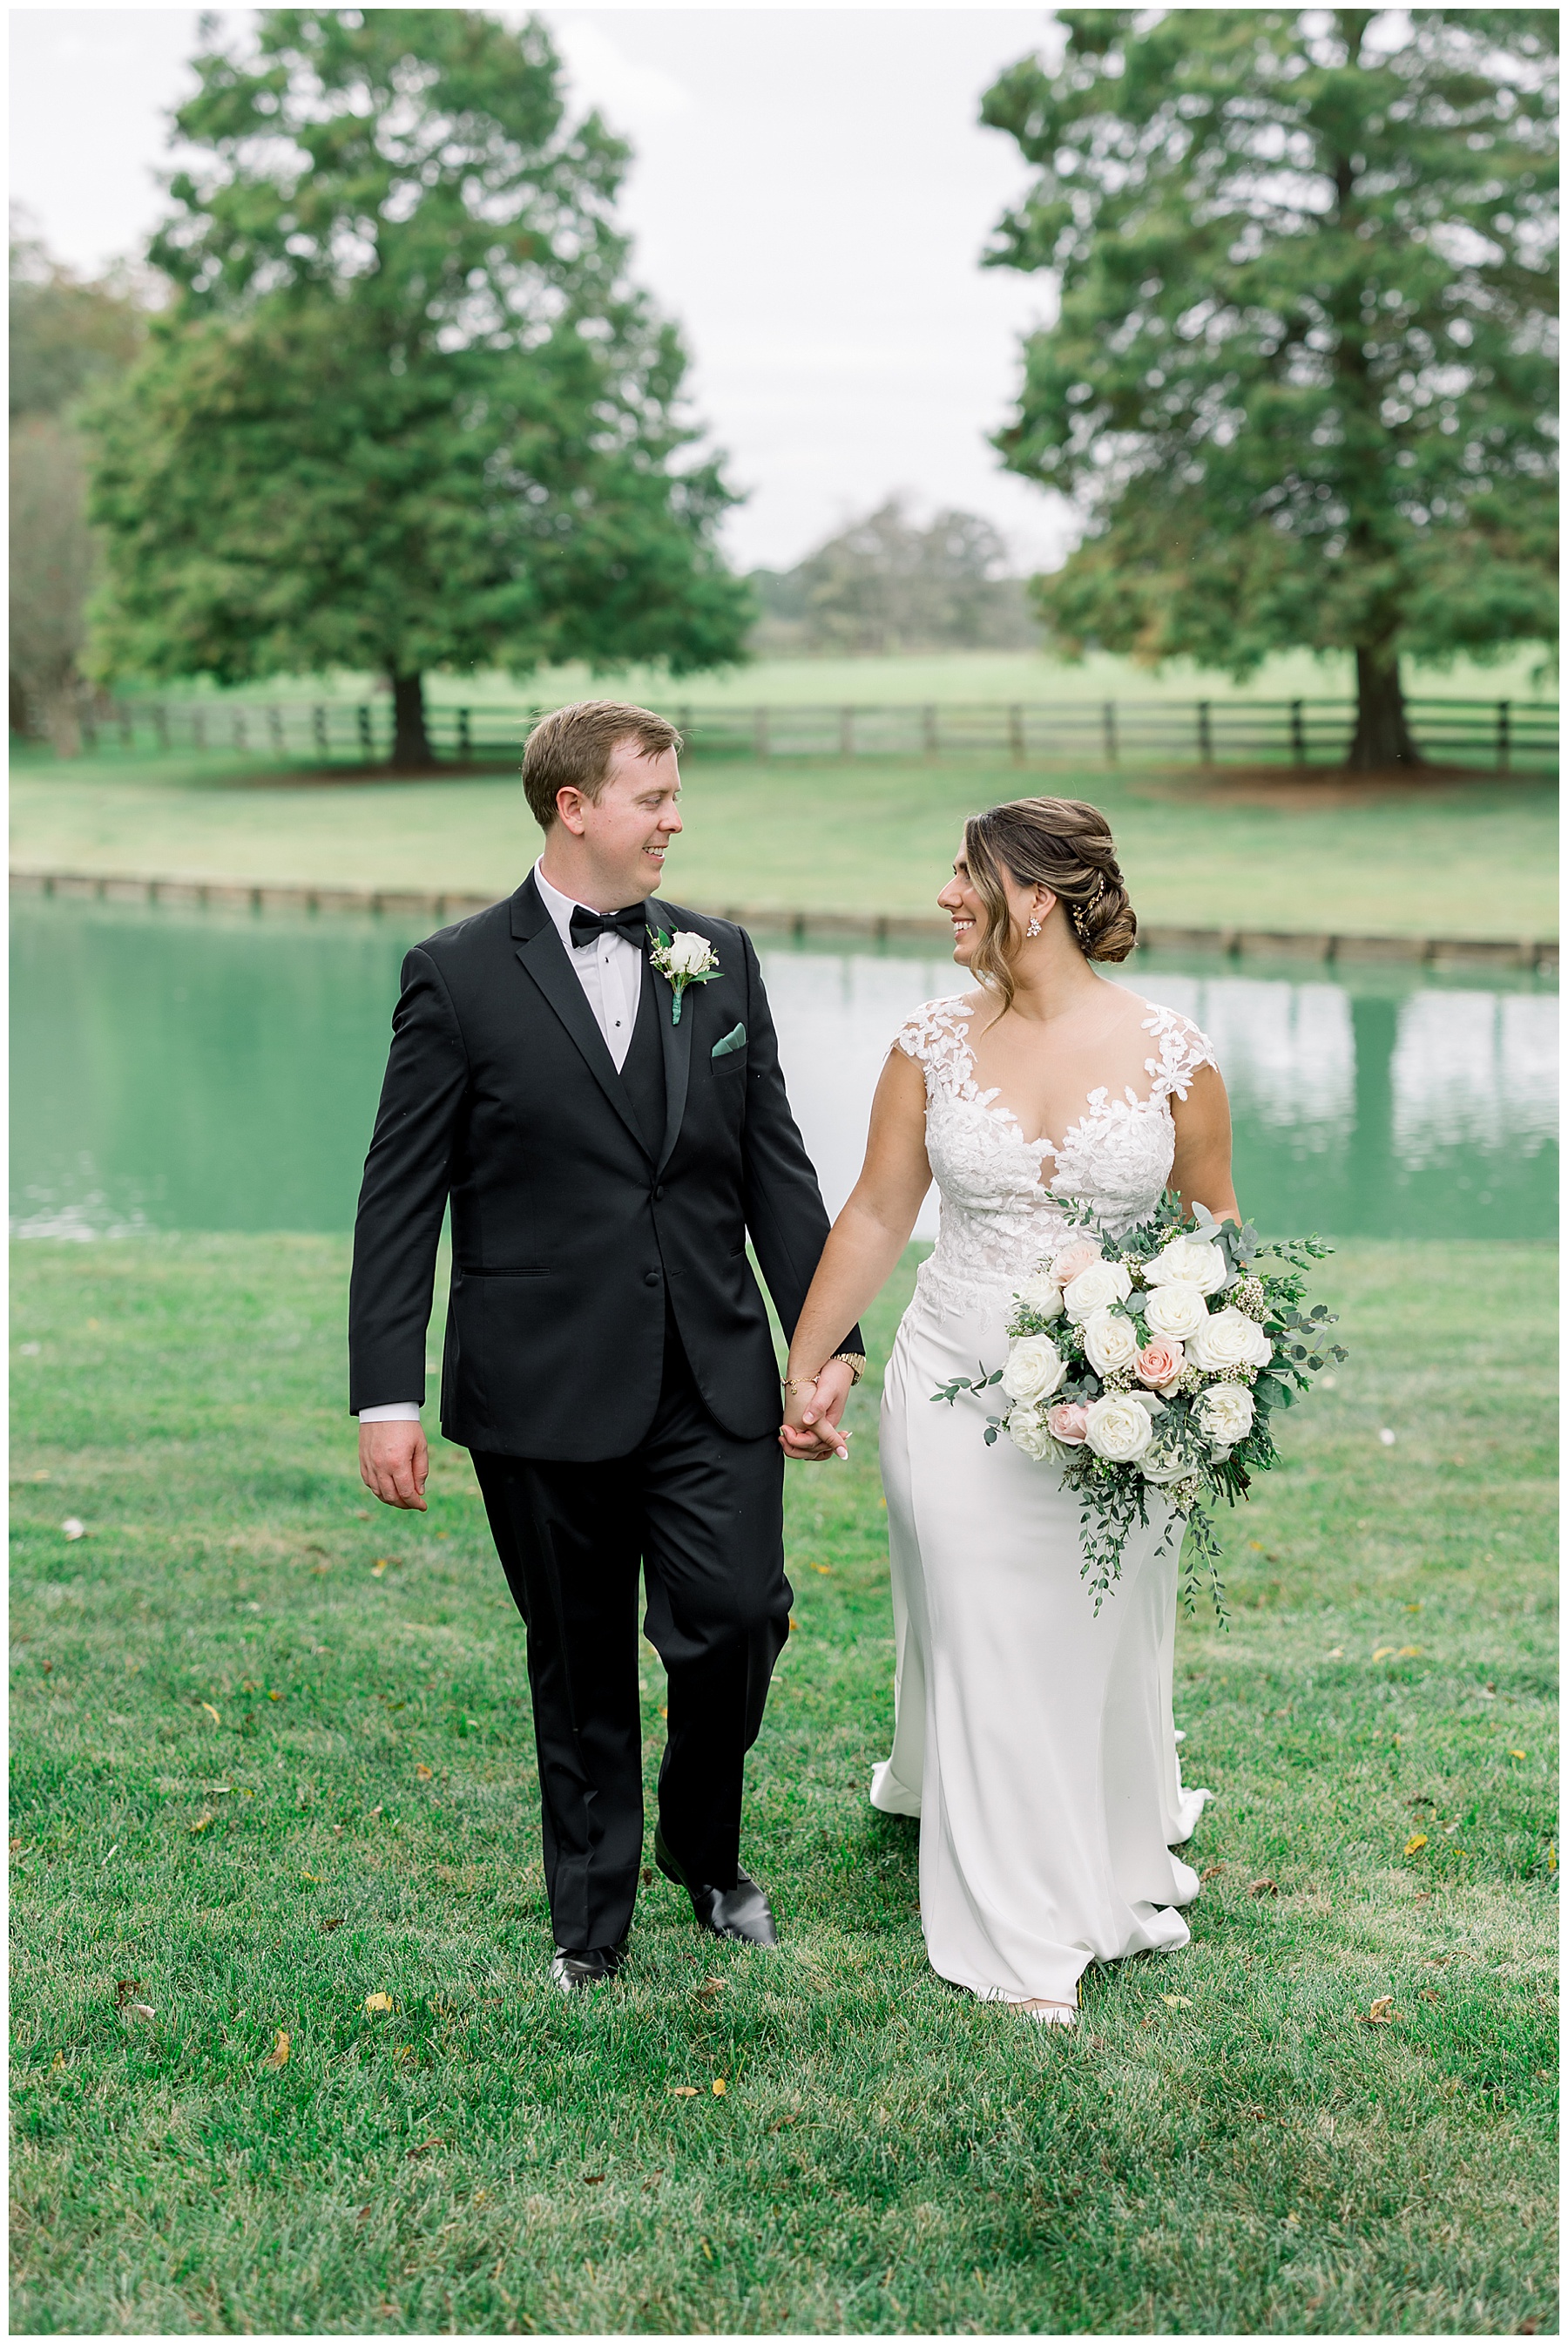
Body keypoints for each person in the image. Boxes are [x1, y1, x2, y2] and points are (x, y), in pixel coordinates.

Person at [348, 701, 863, 1994]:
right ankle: (591, 1923)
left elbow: (776, 1166)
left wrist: (826, 1342)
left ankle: (704, 1846)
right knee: (578, 1658)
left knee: (737, 1619)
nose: (676, 818)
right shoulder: (456, 974)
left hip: (712, 1370)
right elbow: (401, 1197)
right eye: (654, 797)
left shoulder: (719, 957)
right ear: (573, 807)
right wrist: (384, 1395)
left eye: (676, 794)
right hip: (542, 1381)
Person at [779, 796, 1235, 2024]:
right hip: (951, 1378)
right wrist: (806, 1361)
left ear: (1035, 898)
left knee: (1091, 1632)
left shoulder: (1174, 1055)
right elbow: (879, 1211)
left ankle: (1096, 1829)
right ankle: (1016, 1920)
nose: (946, 894)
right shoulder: (928, 1042)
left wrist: (1195, 1364)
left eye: (965, 873)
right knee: (979, 1626)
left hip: (1120, 1399)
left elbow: (1213, 1228)